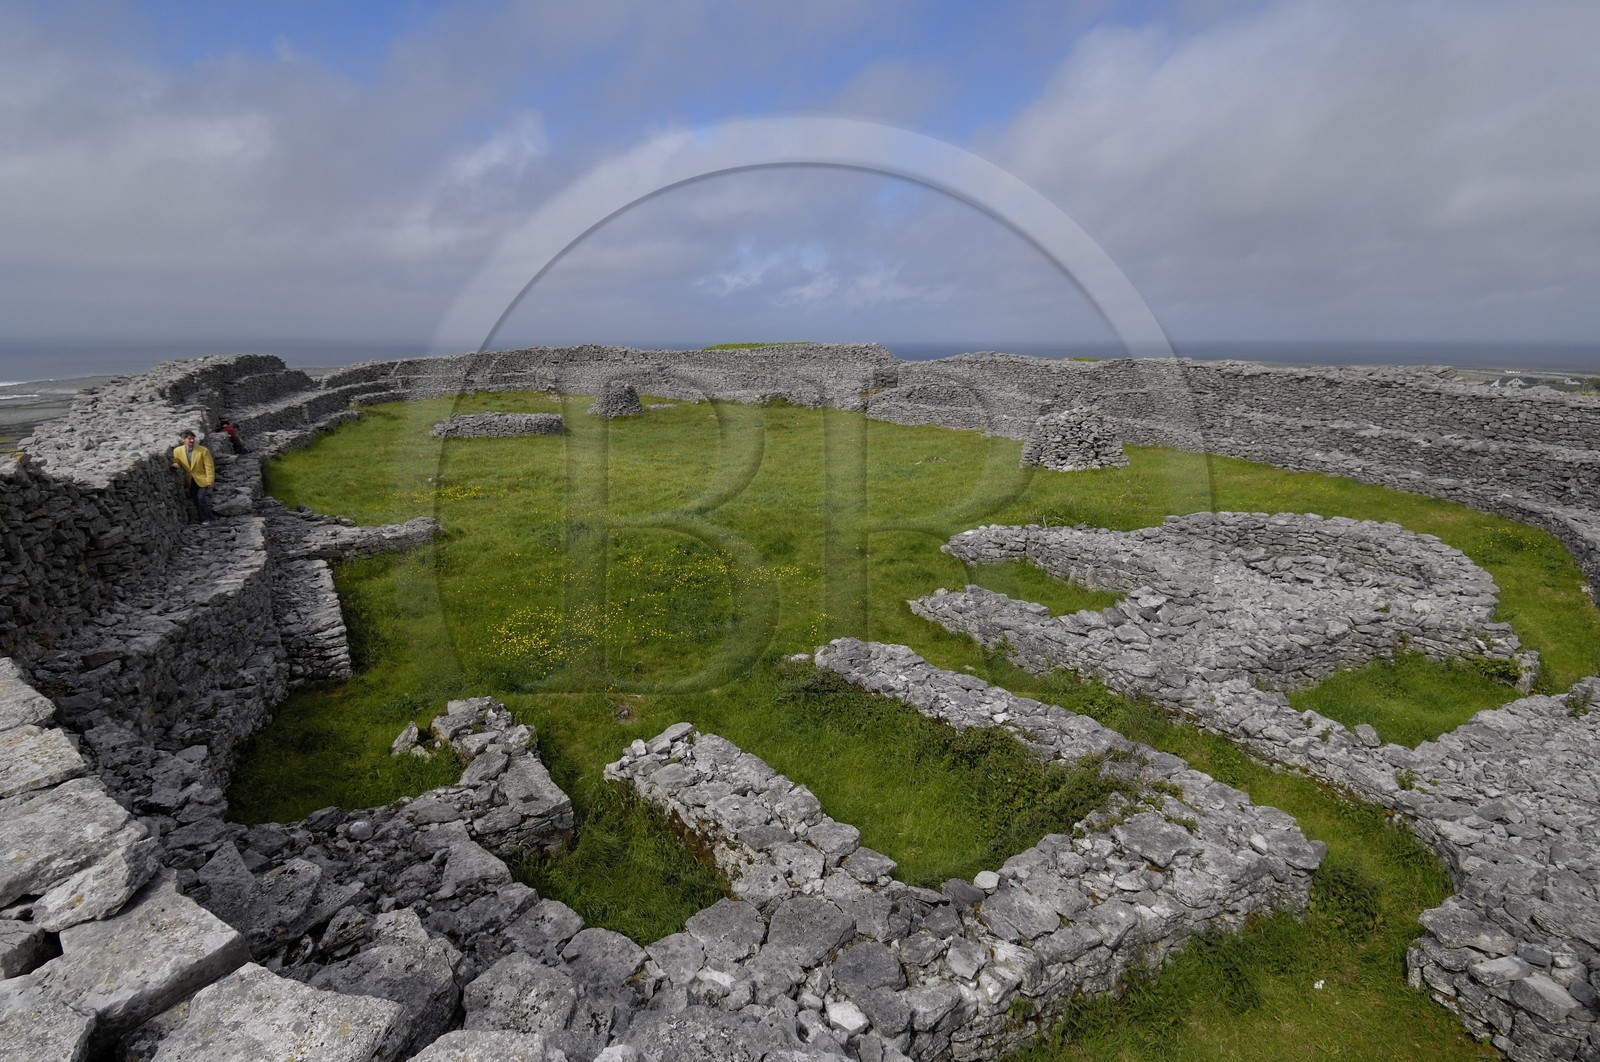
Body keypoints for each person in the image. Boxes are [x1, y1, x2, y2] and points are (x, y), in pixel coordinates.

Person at [171, 429, 216, 524]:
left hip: (203, 479)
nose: (192, 441)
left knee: (200, 498)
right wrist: (176, 465)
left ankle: (204, 519)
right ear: (183, 440)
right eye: (189, 439)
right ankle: (210, 517)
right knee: (196, 500)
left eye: (193, 438)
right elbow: (177, 461)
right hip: (190, 480)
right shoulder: (177, 451)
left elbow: (209, 466)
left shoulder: (203, 450)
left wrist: (210, 480)